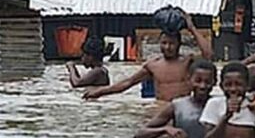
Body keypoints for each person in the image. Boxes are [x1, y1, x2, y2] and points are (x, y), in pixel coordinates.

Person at [83, 9, 213, 102]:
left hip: (183, 109)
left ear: (179, 44)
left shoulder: (188, 63)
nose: (167, 47)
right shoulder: (153, 65)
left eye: (172, 43)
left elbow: (208, 55)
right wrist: (100, 92)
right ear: (159, 43)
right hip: (161, 108)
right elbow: (128, 83)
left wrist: (191, 27)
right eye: (164, 43)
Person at [132, 59, 216, 138]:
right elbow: (139, 135)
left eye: (207, 82)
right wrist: (165, 130)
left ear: (214, 82)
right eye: (198, 81)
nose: (202, 86)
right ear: (188, 79)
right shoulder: (177, 106)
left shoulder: (220, 106)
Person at [201, 62, 255, 138]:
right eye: (228, 85)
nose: (233, 89)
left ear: (247, 86)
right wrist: (226, 116)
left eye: (238, 84)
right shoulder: (214, 104)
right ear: (221, 86)